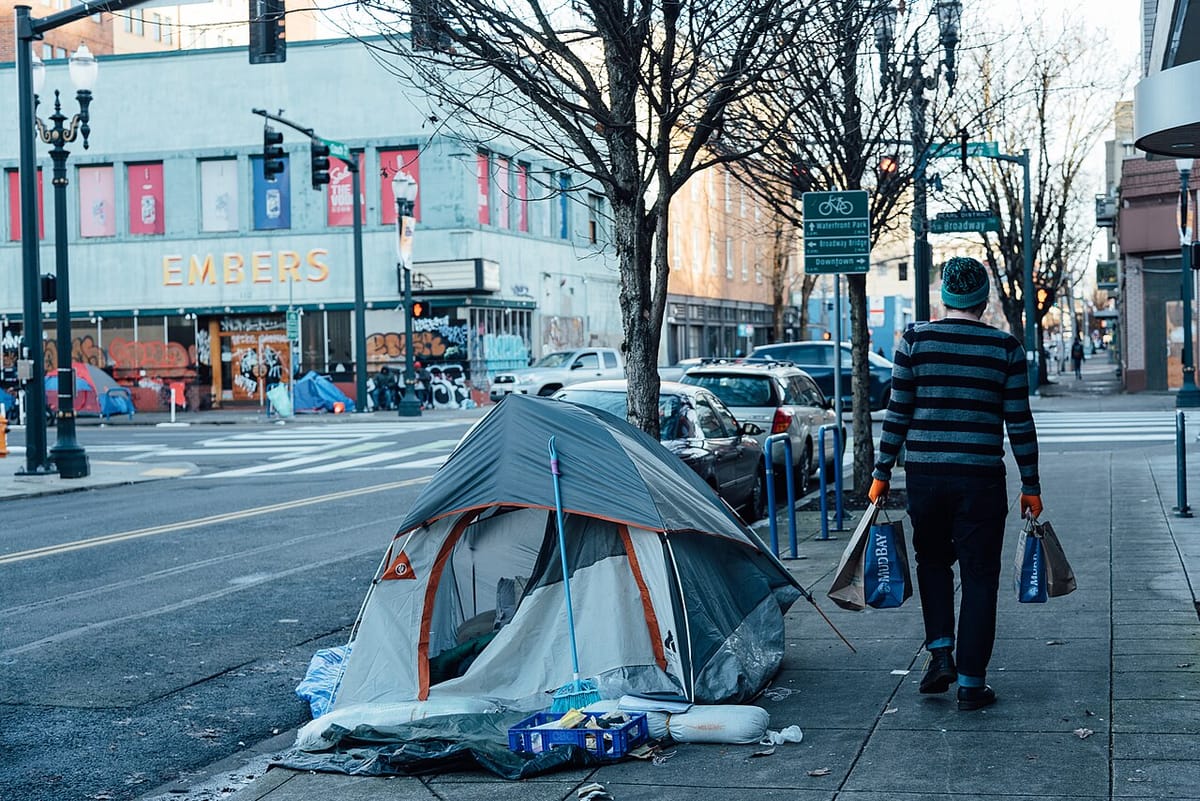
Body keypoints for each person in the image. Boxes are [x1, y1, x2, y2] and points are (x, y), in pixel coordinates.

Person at [868, 256, 1042, 712]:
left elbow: (897, 414)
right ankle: (970, 683)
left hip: (925, 477)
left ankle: (940, 653)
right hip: (981, 479)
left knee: (933, 563)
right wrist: (1031, 484)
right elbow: (1019, 423)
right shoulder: (1006, 349)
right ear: (984, 301)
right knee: (981, 577)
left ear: (944, 298)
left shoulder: (915, 341)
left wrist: (881, 473)